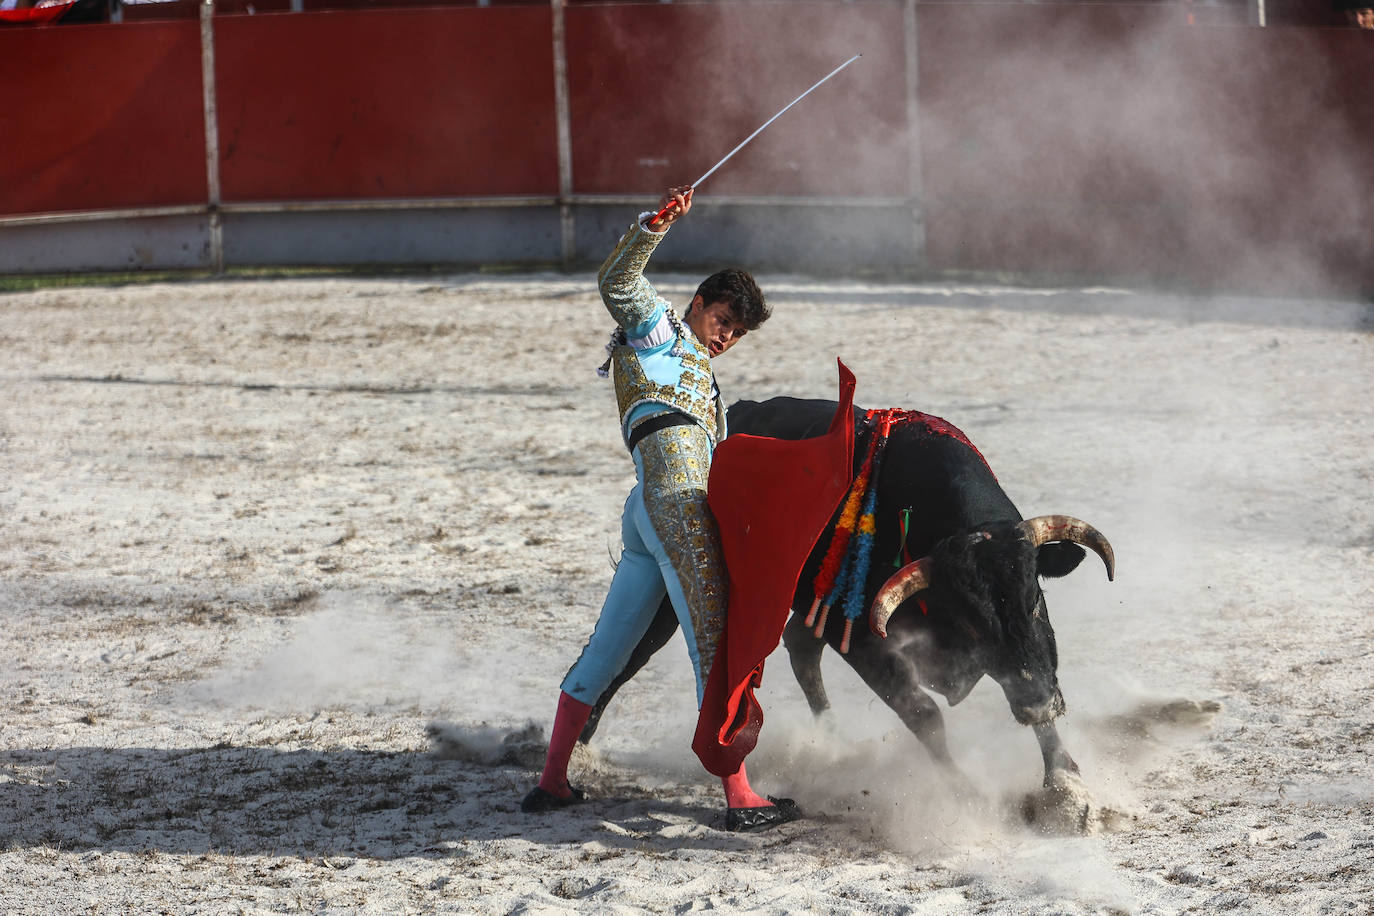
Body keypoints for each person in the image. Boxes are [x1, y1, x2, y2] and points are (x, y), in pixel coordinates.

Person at [520, 186, 803, 832]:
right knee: (713, 639)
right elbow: (617, 280)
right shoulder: (658, 330)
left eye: (737, 331)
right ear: (698, 304)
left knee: (608, 649)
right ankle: (740, 797)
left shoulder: (700, 371)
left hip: (646, 505)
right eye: (723, 321)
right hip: (675, 499)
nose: (727, 337)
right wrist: (654, 226)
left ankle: (553, 779)